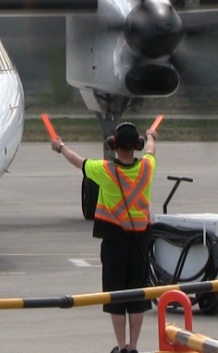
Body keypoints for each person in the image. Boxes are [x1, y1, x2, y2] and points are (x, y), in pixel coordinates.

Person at [52, 122, 157, 353]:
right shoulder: (147, 168)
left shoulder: (106, 170)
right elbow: (150, 150)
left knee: (116, 297)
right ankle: (133, 347)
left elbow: (78, 161)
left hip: (114, 244)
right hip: (140, 244)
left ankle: (120, 347)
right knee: (139, 296)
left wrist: (60, 147)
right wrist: (151, 137)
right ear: (136, 145)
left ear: (114, 145)